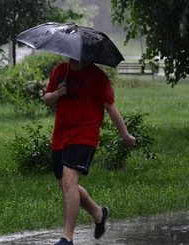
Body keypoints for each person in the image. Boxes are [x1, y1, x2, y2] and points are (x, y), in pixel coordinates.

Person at [43, 59, 136, 245]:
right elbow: (46, 100)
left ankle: (67, 238)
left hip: (85, 135)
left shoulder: (97, 77)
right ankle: (98, 213)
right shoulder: (61, 70)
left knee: (69, 181)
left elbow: (110, 107)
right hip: (61, 137)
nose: (74, 59)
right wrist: (57, 93)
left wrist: (125, 135)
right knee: (67, 186)